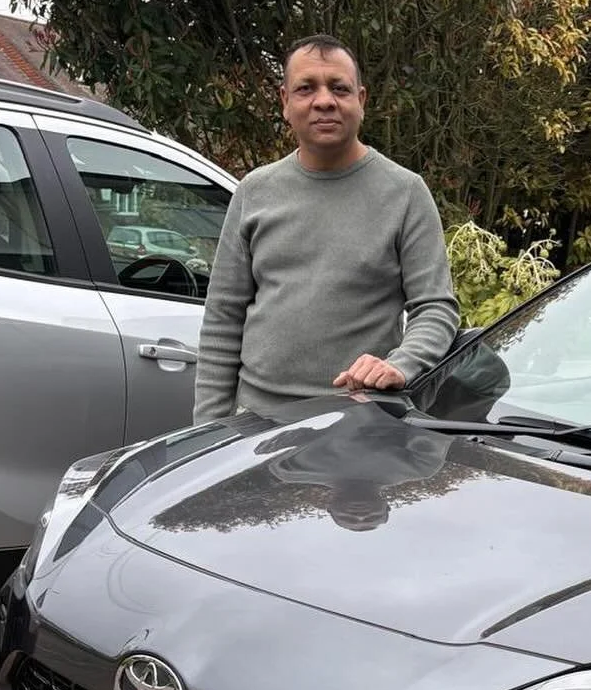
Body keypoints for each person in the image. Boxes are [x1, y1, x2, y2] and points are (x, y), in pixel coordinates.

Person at [193, 35, 460, 424]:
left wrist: (401, 364)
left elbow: (436, 307)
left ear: (361, 100)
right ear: (285, 102)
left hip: (357, 424)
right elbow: (222, 318)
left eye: (339, 88)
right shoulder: (255, 191)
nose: (324, 101)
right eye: (306, 88)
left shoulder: (404, 193)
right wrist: (210, 431)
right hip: (256, 425)